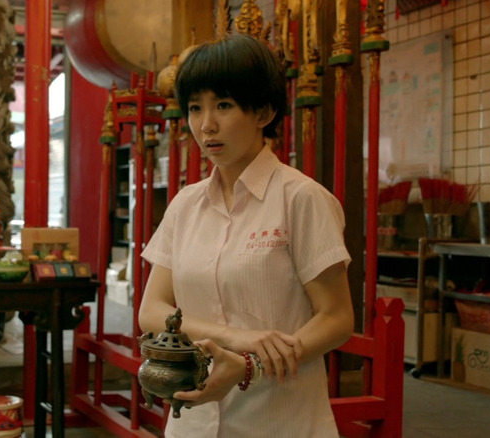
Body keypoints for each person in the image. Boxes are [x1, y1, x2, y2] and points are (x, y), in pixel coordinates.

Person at [139, 33, 354, 437]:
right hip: (194, 421)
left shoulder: (302, 199)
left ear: (263, 111)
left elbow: (337, 318)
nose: (207, 125)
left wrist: (250, 364)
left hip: (280, 418)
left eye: (223, 105)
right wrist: (240, 338)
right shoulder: (185, 205)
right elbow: (152, 311)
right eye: (195, 108)